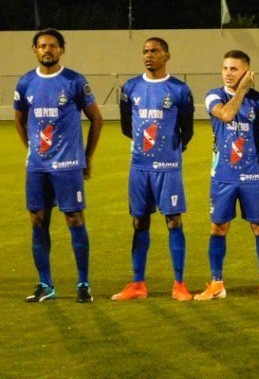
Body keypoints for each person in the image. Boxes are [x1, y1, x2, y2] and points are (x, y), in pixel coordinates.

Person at [14, 29, 103, 303]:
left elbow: (96, 119)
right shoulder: (26, 82)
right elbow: (19, 119)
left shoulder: (74, 81)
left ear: (62, 49)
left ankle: (83, 284)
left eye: (53, 45)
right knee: (38, 220)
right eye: (42, 46)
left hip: (67, 165)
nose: (47, 50)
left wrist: (87, 157)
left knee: (74, 219)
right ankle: (45, 284)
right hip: (37, 167)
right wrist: (32, 151)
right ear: (35, 50)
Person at [113, 37, 195, 301]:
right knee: (139, 221)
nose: (149, 55)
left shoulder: (179, 89)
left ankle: (179, 284)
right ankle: (138, 284)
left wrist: (170, 152)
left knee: (173, 220)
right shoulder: (130, 87)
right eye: (146, 51)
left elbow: (187, 129)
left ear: (167, 56)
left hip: (168, 167)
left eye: (155, 51)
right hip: (140, 166)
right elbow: (127, 126)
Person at [195, 50, 259, 302]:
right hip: (223, 176)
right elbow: (226, 114)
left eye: (234, 69)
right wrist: (242, 90)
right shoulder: (214, 95)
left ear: (246, 71)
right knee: (218, 227)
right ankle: (217, 283)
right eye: (225, 68)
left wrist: (256, 157)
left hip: (253, 178)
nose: (228, 73)